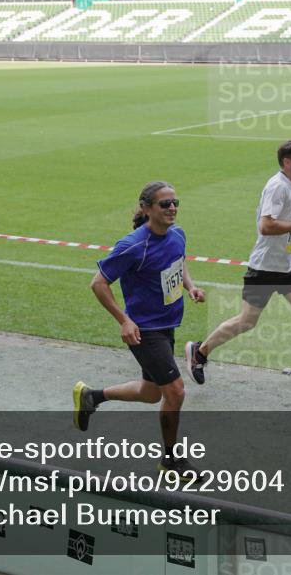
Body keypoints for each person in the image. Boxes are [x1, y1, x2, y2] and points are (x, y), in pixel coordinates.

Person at [184, 140, 291, 400]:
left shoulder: (289, 186)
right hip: (265, 268)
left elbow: (278, 224)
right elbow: (266, 226)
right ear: (287, 162)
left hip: (287, 265)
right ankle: (200, 352)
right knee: (246, 321)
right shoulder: (277, 187)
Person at [77, 181, 205, 479]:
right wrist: (124, 320)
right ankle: (171, 461)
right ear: (147, 208)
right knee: (175, 392)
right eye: (165, 204)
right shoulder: (133, 246)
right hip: (144, 331)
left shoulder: (177, 234)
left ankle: (92, 397)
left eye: (175, 202)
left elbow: (179, 262)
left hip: (168, 323)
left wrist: (191, 287)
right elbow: (98, 283)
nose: (172, 208)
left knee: (151, 393)